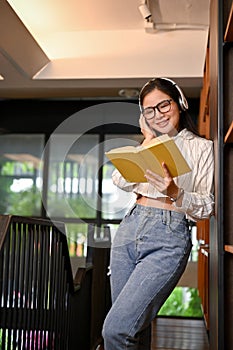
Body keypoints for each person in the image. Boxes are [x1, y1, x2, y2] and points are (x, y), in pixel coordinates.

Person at [102, 77, 214, 350]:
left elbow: (208, 206)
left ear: (179, 103)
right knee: (134, 330)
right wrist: (148, 140)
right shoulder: (148, 144)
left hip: (169, 234)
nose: (158, 114)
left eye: (163, 105)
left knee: (116, 331)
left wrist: (175, 191)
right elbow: (120, 180)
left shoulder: (202, 148)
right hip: (130, 229)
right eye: (149, 110)